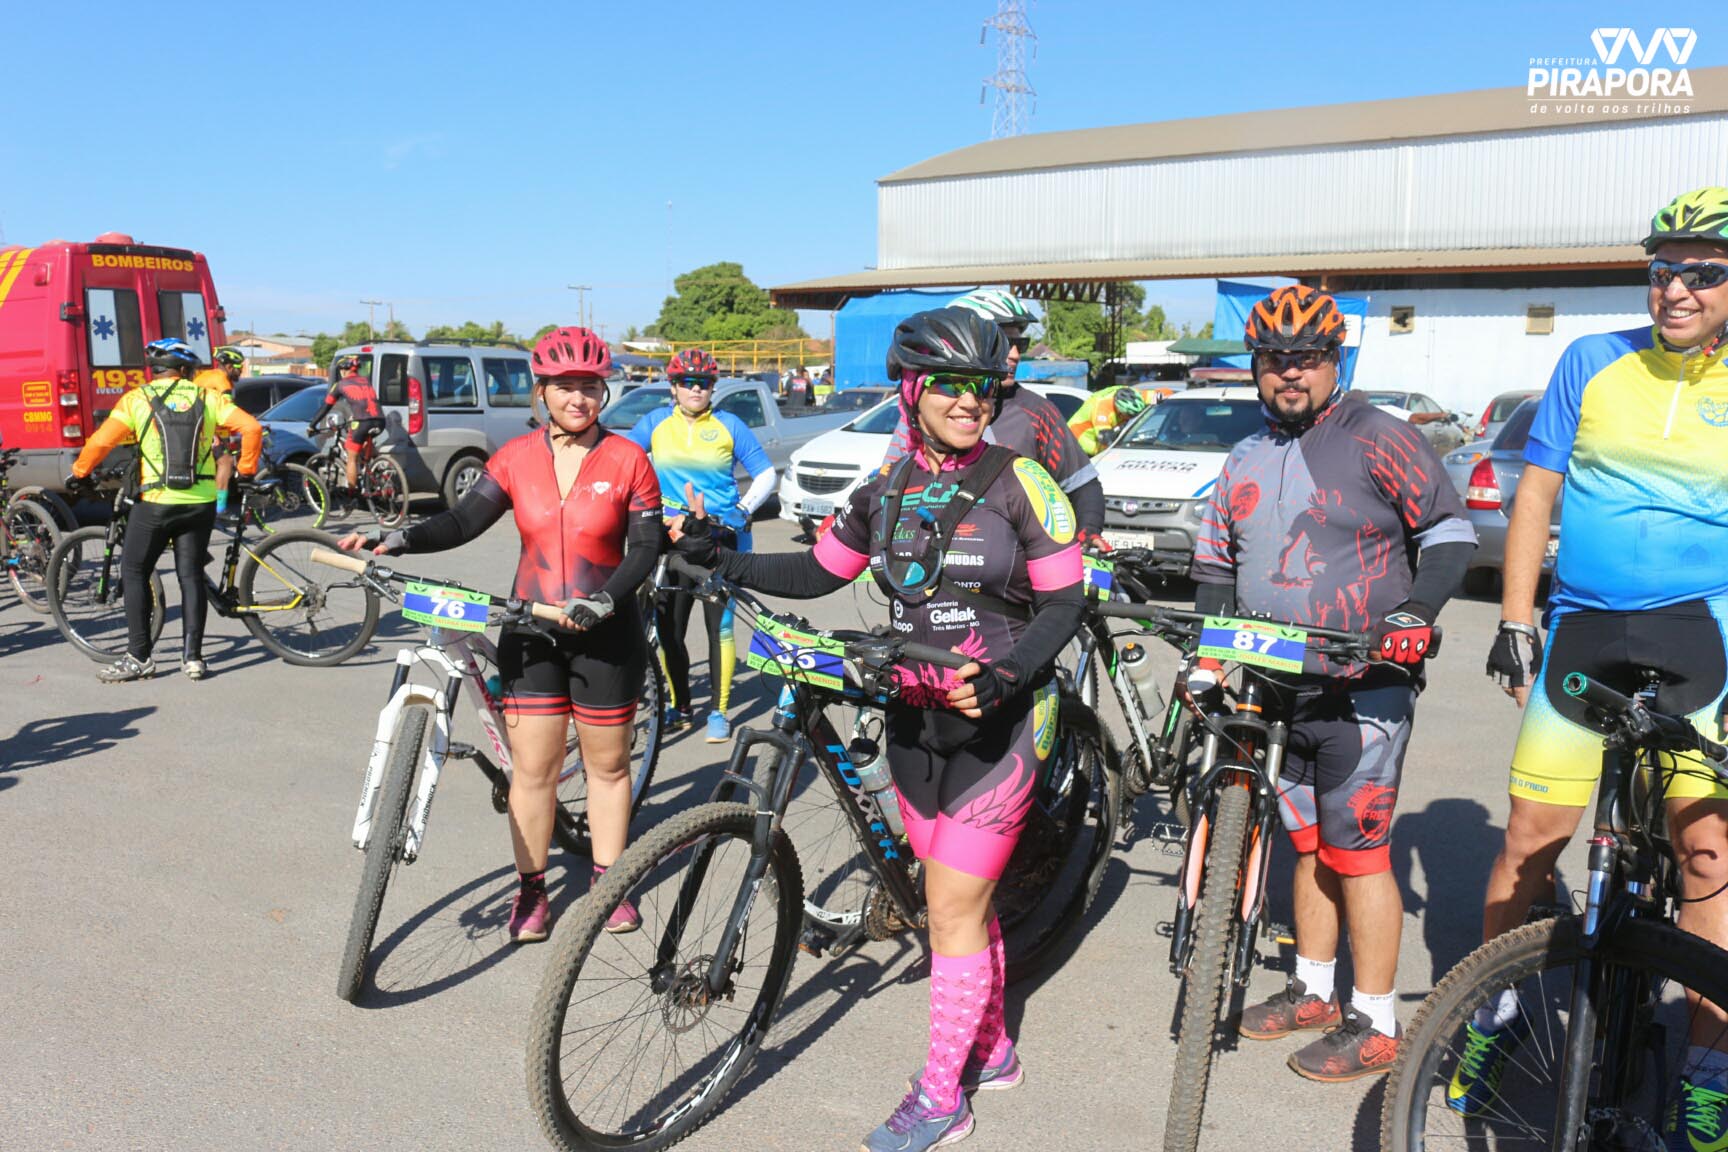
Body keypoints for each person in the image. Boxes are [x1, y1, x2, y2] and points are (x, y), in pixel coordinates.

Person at [674, 306, 1084, 1151]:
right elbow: (818, 571)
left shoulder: (1023, 482)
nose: (970, 402)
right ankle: (993, 1049)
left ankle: (941, 1099)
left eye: (983, 387)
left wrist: (1008, 676)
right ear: (912, 391)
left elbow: (1065, 602)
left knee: (953, 906)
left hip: (1003, 724)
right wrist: (724, 556)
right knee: (954, 900)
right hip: (912, 722)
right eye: (951, 386)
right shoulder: (887, 487)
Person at [1473, 186, 1728, 1142]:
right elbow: (1536, 494)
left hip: (1703, 632)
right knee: (1530, 838)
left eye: (1704, 272)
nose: (1678, 287)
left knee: (1707, 852)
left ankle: (1709, 1069)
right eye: (1664, 268)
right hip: (1584, 628)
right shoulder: (1591, 359)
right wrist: (1515, 618)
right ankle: (1488, 1016)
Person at [1190, 284, 1475, 1081]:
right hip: (1274, 687)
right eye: (1274, 358)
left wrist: (1416, 610)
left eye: (1307, 357)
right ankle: (1313, 991)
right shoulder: (1244, 455)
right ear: (1256, 366)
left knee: (1359, 853)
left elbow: (1449, 531)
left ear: (1334, 361)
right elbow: (1214, 567)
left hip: (1363, 684)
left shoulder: (1379, 435)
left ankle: (1376, 1021)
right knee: (1307, 843)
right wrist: (1209, 656)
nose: (1291, 372)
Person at [338, 326, 663, 943]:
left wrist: (603, 600)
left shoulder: (628, 459)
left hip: (606, 631)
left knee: (608, 768)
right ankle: (532, 891)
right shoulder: (515, 458)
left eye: (590, 386)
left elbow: (645, 548)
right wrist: (399, 538)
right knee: (533, 771)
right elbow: (463, 520)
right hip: (531, 630)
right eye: (564, 387)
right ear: (542, 392)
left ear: (603, 391)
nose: (578, 398)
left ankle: (609, 883)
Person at [66, 337, 263, 682]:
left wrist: (80, 472)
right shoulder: (208, 397)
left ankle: (139, 657)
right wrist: (246, 471)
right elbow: (252, 427)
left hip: (157, 501)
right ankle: (194, 659)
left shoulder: (137, 398)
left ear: (155, 370)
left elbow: (101, 441)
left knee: (134, 571)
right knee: (190, 575)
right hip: (200, 502)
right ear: (184, 370)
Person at [625, 347, 775, 742]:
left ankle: (718, 712)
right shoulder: (655, 423)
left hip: (720, 538)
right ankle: (681, 706)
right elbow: (624, 461)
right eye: (687, 382)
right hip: (671, 537)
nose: (696, 389)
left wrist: (742, 510)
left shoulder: (729, 425)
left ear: (712, 388)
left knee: (719, 627)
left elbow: (765, 475)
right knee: (669, 630)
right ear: (673, 387)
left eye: (704, 383)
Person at [882, 289, 1108, 549]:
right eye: (1003, 341)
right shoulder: (922, 417)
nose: (1014, 354)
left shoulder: (1037, 412)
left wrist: (1088, 533)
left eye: (1020, 344)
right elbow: (886, 486)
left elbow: (1082, 484)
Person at [308, 354, 385, 497]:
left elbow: (326, 406)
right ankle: (382, 473)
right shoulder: (365, 381)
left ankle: (352, 494)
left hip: (362, 422)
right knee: (366, 446)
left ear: (343, 370)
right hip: (380, 421)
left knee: (351, 457)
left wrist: (312, 425)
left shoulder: (341, 384)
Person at [200, 347, 247, 515]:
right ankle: (219, 509)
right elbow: (227, 413)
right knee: (225, 462)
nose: (241, 371)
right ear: (229, 366)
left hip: (198, 427)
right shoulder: (222, 381)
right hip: (205, 430)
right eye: (239, 367)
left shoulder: (207, 376)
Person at [1066, 383, 1162, 455]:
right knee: (1104, 453)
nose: (1130, 418)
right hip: (1079, 435)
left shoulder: (1135, 395)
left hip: (1101, 432)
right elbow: (1104, 437)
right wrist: (1120, 428)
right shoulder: (1103, 408)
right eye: (1128, 415)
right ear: (1118, 409)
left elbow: (1162, 393)